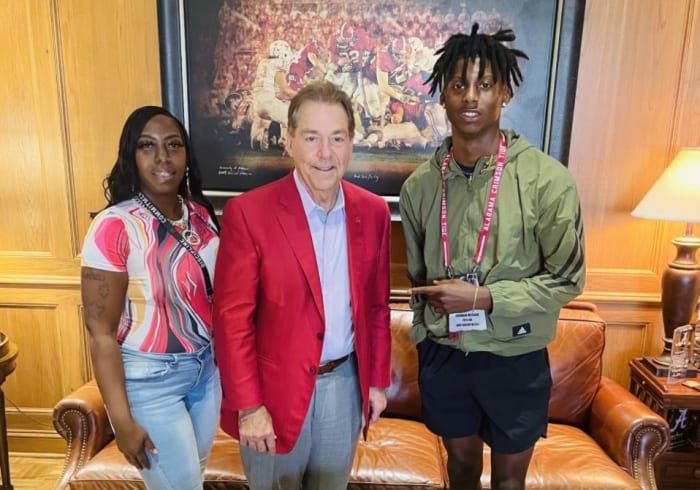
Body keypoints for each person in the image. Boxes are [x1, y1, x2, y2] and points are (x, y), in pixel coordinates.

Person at [399, 25, 585, 490]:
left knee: (507, 482)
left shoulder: (548, 180)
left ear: (504, 92)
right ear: (442, 95)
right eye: (459, 84)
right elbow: (418, 278)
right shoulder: (420, 187)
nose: (470, 97)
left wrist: (483, 298)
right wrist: (426, 336)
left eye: (483, 85)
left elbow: (568, 279)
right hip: (444, 355)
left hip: (515, 357)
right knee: (460, 471)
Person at [213, 80, 392, 490]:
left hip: (344, 389)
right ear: (290, 140)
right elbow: (231, 320)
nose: (325, 154)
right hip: (271, 397)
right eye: (312, 138)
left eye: (337, 138)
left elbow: (377, 307)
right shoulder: (248, 214)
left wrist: (377, 381)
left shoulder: (373, 212)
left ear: (351, 143)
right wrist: (249, 406)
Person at [80, 106, 222, 489]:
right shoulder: (114, 226)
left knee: (193, 477)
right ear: (132, 156)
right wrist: (122, 421)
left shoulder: (201, 216)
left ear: (186, 157)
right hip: (150, 380)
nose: (163, 157)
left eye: (173, 145)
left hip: (206, 373)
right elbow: (100, 333)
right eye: (148, 146)